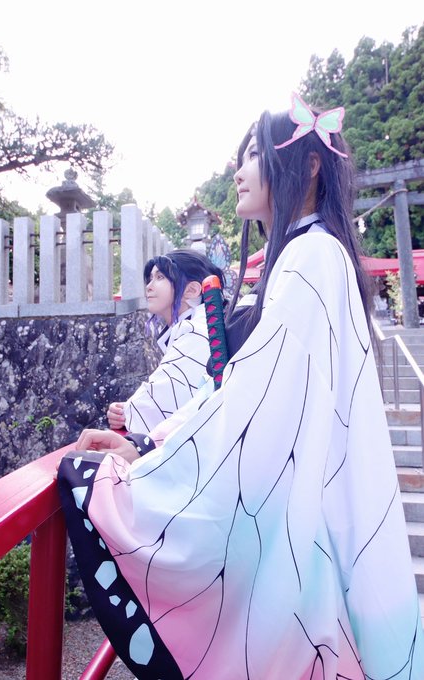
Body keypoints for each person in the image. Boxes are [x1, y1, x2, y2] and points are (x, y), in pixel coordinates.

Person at [58, 92, 424, 679]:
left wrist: (152, 459)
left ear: (309, 165)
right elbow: (248, 390)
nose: (239, 169)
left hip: (306, 531)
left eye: (256, 154)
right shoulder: (315, 254)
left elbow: (254, 405)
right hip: (321, 521)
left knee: (92, 484)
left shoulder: (309, 259)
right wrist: (155, 442)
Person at [106, 249, 225, 435]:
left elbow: (154, 407)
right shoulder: (202, 326)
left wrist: (127, 412)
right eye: (150, 279)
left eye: (160, 277)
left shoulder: (197, 332)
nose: (149, 286)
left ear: (192, 290)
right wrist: (127, 410)